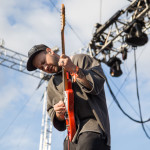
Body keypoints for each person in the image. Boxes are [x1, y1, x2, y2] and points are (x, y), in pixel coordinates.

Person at [26, 44, 111, 150]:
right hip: (71, 136)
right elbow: (53, 112)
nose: (45, 67)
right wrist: (58, 114)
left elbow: (96, 83)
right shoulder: (53, 84)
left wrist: (74, 69)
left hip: (93, 127)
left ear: (50, 51)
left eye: (44, 62)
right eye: (41, 67)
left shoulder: (80, 59)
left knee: (87, 141)